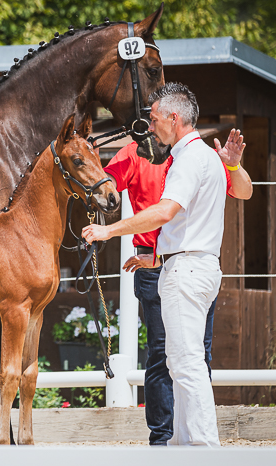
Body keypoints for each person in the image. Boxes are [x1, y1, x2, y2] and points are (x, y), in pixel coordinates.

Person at [83, 82, 248, 446]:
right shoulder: (208, 156)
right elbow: (195, 220)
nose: (151, 125)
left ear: (174, 118)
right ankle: (184, 444)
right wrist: (156, 256)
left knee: (185, 362)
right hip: (196, 264)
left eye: (155, 118)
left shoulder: (187, 159)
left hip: (185, 272)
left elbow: (164, 212)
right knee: (182, 360)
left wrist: (109, 230)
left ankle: (203, 448)